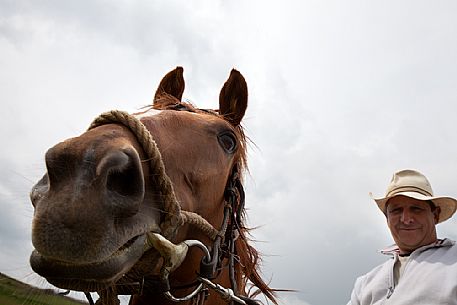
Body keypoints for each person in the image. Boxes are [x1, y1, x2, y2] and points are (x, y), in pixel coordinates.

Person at [347, 169, 457, 304]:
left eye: (416, 208)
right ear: (387, 218)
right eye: (396, 210)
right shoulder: (365, 284)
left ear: (435, 214)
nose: (406, 219)